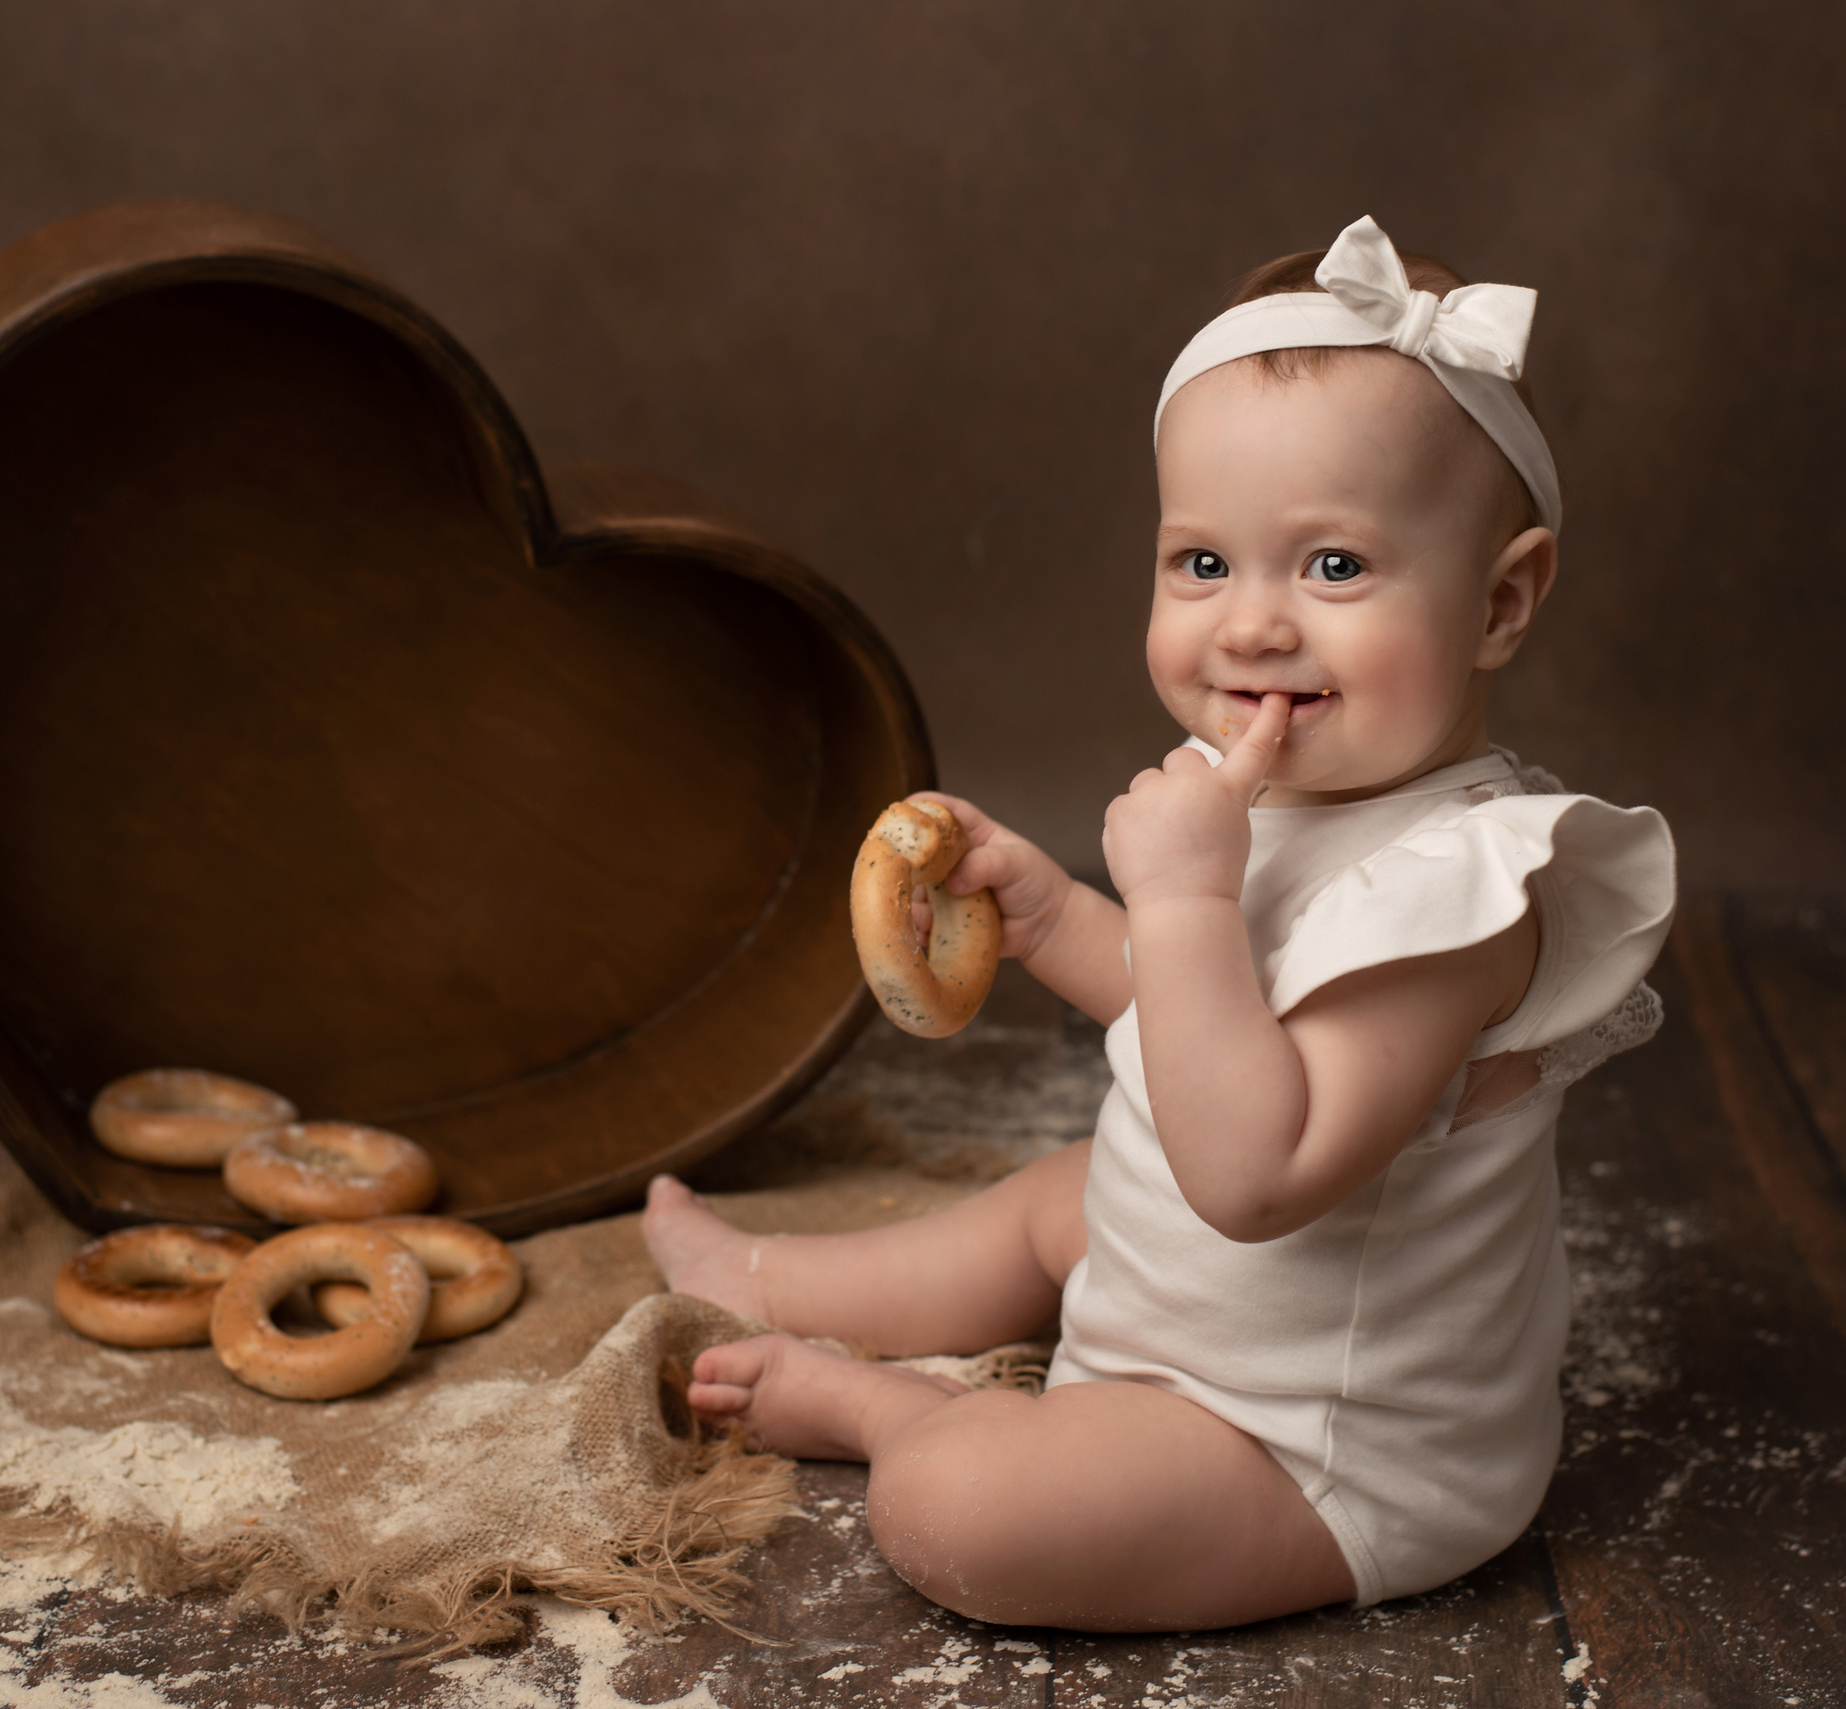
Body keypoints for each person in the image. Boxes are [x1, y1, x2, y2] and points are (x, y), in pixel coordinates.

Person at [642, 217, 1676, 1630]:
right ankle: (768, 1277)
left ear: (1500, 602)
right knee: (1059, 1195)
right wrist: (1061, 912)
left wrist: (1186, 895)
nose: (1250, 626)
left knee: (966, 1518)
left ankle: (893, 1415)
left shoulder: (1466, 891)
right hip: (1190, 1298)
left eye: (1331, 568)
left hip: (1309, 1441)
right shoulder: (1273, 799)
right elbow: (1187, 1015)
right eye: (1203, 564)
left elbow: (1258, 1166)